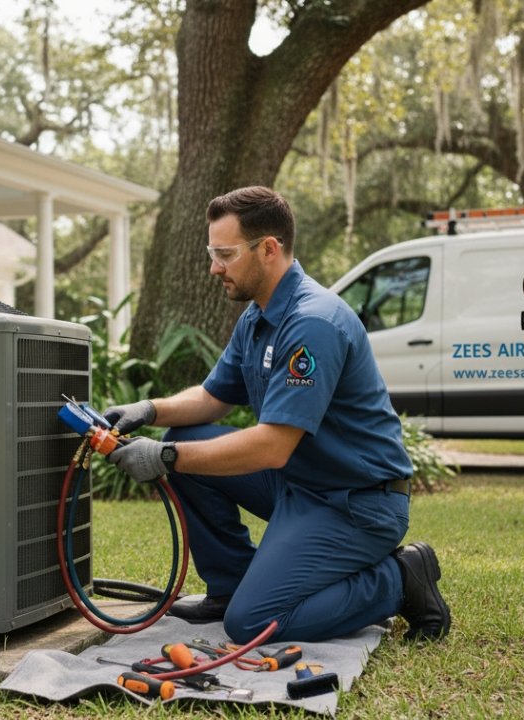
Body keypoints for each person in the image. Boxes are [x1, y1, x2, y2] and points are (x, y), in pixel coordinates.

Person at [103, 186, 450, 644]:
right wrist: (147, 410)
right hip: (300, 484)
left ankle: (400, 578)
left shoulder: (313, 322)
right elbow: (212, 398)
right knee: (184, 434)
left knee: (252, 623)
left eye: (225, 254)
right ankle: (230, 587)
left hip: (357, 502)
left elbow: (272, 446)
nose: (214, 268)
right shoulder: (257, 317)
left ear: (268, 249)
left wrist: (164, 458)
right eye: (212, 253)